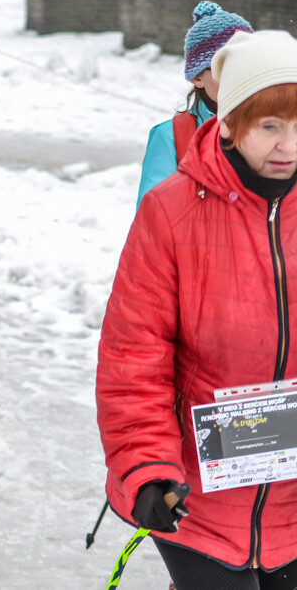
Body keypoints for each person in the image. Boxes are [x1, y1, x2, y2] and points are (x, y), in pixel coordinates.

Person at [97, 30, 297, 590]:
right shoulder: (172, 212)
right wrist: (146, 469)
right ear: (229, 122)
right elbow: (133, 356)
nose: (289, 145)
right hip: (196, 493)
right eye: (270, 125)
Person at [136, 1, 253, 208]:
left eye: (248, 64)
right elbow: (152, 220)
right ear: (197, 78)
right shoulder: (171, 137)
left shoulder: (281, 130)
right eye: (223, 67)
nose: (238, 75)